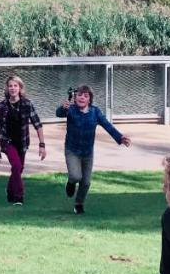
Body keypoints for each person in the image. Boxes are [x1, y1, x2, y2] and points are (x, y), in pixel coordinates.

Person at [55, 85, 131, 214]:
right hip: (72, 150)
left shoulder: (95, 112)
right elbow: (59, 113)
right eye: (79, 95)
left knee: (86, 182)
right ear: (75, 97)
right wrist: (62, 108)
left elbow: (107, 125)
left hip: (87, 153)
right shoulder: (70, 110)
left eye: (85, 96)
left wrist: (120, 137)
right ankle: (71, 183)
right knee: (75, 176)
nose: (82, 97)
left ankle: (79, 204)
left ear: (90, 99)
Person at [0, 75, 45, 206]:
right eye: (10, 86)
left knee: (19, 169)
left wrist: (42, 144)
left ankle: (10, 190)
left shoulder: (27, 104)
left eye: (15, 86)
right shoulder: (1, 106)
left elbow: (37, 124)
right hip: (7, 141)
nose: (13, 88)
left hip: (22, 141)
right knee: (16, 166)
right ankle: (19, 197)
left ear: (20, 88)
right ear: (7, 88)